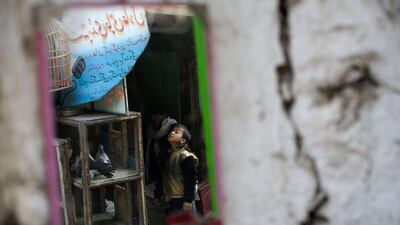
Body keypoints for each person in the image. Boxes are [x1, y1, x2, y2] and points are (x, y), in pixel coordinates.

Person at [154, 124, 199, 214]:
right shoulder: (165, 154)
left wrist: (188, 200)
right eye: (172, 131)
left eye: (176, 132)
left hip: (182, 198)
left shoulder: (186, 156)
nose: (172, 132)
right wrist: (158, 194)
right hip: (170, 198)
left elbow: (191, 180)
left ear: (183, 140)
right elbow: (160, 176)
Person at [145, 112, 177, 184]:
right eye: (152, 116)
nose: (153, 118)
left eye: (156, 115)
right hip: (157, 167)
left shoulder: (172, 126)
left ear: (164, 115)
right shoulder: (151, 128)